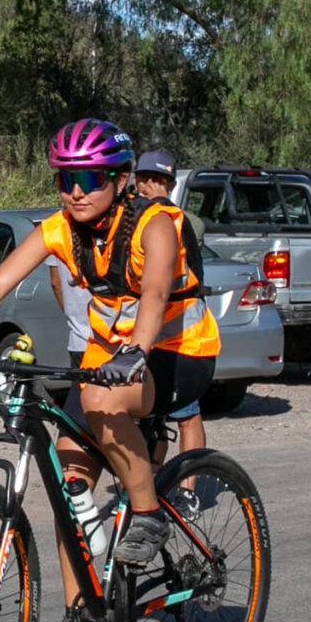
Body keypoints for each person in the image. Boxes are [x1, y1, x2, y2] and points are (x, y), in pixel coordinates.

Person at [0, 119, 219, 622]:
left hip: (176, 350)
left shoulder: (156, 223)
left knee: (101, 403)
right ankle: (78, 617)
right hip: (108, 358)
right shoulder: (60, 229)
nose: (75, 191)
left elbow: (157, 291)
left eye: (89, 178)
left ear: (120, 180)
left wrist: (136, 351)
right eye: (65, 179)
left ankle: (147, 513)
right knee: (72, 490)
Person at [133, 150, 208, 454]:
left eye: (158, 179)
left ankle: (187, 489)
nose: (149, 185)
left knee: (186, 414)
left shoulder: (178, 221)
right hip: (147, 334)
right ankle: (156, 484)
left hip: (180, 336)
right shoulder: (136, 219)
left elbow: (190, 280)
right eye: (144, 178)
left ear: (170, 184)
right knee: (151, 417)